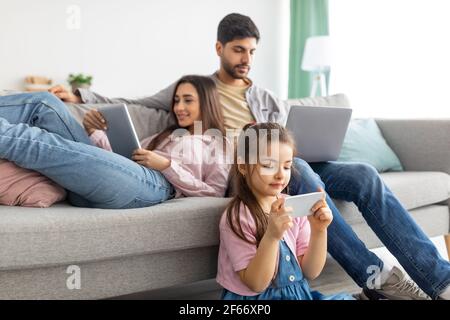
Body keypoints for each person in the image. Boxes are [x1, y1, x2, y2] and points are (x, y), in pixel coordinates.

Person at [49, 13, 450, 300]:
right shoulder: (196, 87)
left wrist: (294, 150)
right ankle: (374, 277)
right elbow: (133, 101)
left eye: (253, 52)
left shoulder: (263, 96)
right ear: (220, 48)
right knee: (302, 171)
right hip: (249, 168)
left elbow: (288, 137)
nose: (246, 59)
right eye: (239, 50)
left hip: (287, 161)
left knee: (362, 174)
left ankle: (439, 279)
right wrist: (80, 97)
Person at [0, 75, 230, 209]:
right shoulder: (163, 135)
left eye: (187, 100)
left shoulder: (217, 143)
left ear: (207, 102)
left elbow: (216, 193)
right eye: (177, 100)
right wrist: (94, 131)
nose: (179, 107)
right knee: (46, 103)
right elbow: (117, 164)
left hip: (158, 186)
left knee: (40, 141)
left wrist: (167, 166)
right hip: (108, 180)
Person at [217, 122, 354, 300]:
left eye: (287, 166)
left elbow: (310, 272)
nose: (281, 175)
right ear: (243, 166)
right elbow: (256, 283)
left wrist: (319, 231)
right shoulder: (237, 217)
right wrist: (272, 236)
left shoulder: (293, 206)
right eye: (268, 165)